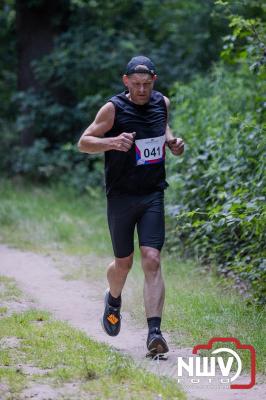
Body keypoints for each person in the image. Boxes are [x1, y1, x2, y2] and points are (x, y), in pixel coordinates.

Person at [78, 55, 184, 355]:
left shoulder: (161, 102)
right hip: (121, 196)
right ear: (126, 81)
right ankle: (113, 299)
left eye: (147, 85)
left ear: (154, 81)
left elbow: (163, 130)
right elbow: (83, 141)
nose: (141, 90)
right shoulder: (113, 109)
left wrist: (174, 142)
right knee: (123, 263)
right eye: (136, 85)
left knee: (152, 258)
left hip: (152, 193)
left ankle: (154, 333)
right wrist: (111, 143)